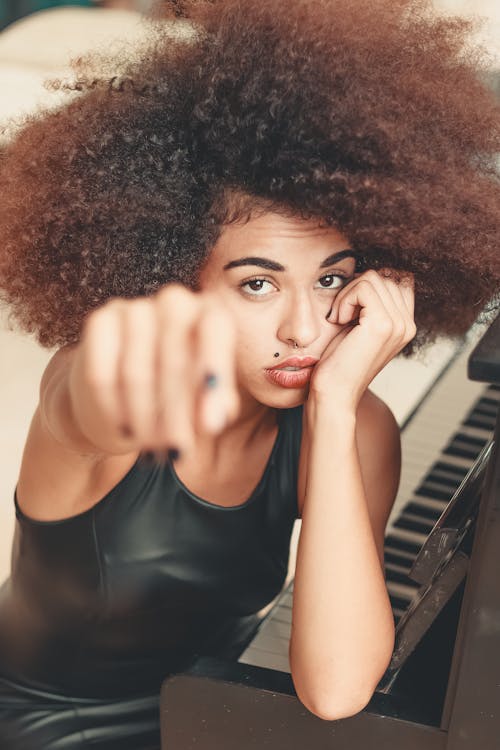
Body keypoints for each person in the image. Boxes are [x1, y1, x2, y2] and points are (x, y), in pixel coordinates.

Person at [0, 0, 498, 748]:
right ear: (170, 277)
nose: (303, 329)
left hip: (207, 709)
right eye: (257, 284)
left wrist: (333, 408)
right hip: (40, 723)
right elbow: (95, 396)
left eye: (331, 280)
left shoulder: (352, 424)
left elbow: (335, 691)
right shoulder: (97, 396)